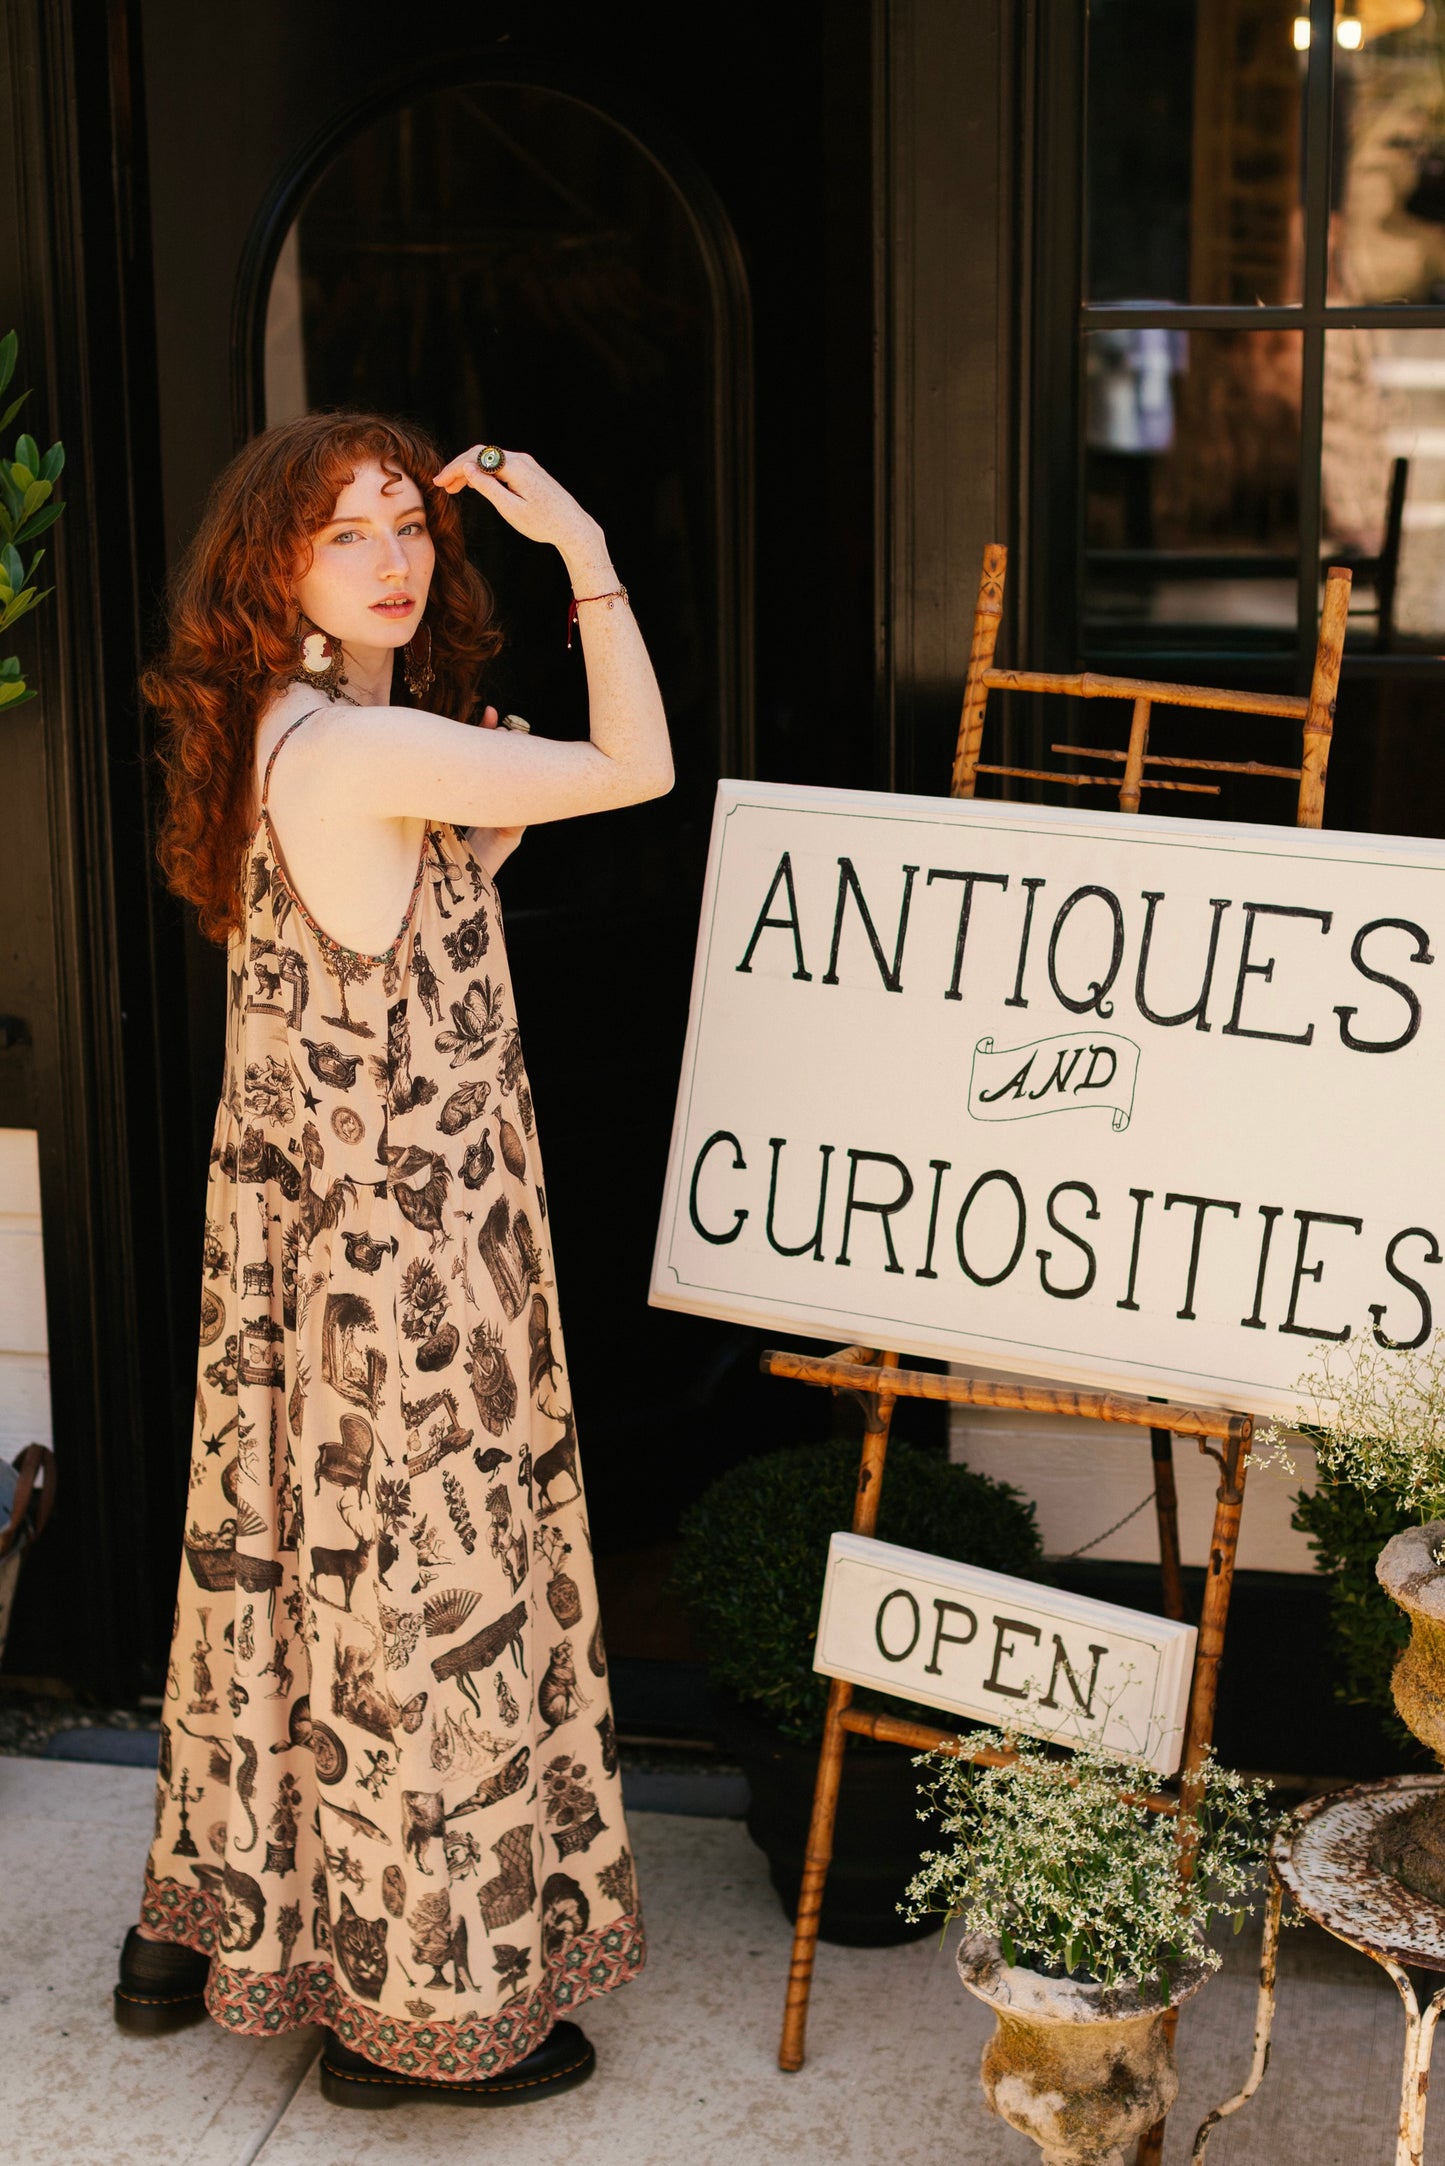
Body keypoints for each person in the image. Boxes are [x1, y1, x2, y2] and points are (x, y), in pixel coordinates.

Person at [113, 413, 671, 2108]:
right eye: (347, 533)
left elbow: (381, 930)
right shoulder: (363, 745)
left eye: (405, 526)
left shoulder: (294, 723)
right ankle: (410, 2012)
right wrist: (585, 545)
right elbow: (633, 764)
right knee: (428, 1599)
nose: (396, 555)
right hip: (411, 1253)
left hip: (319, 1242)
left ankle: (214, 1929)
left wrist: (470, 832)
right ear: (274, 569)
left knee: (288, 1575)